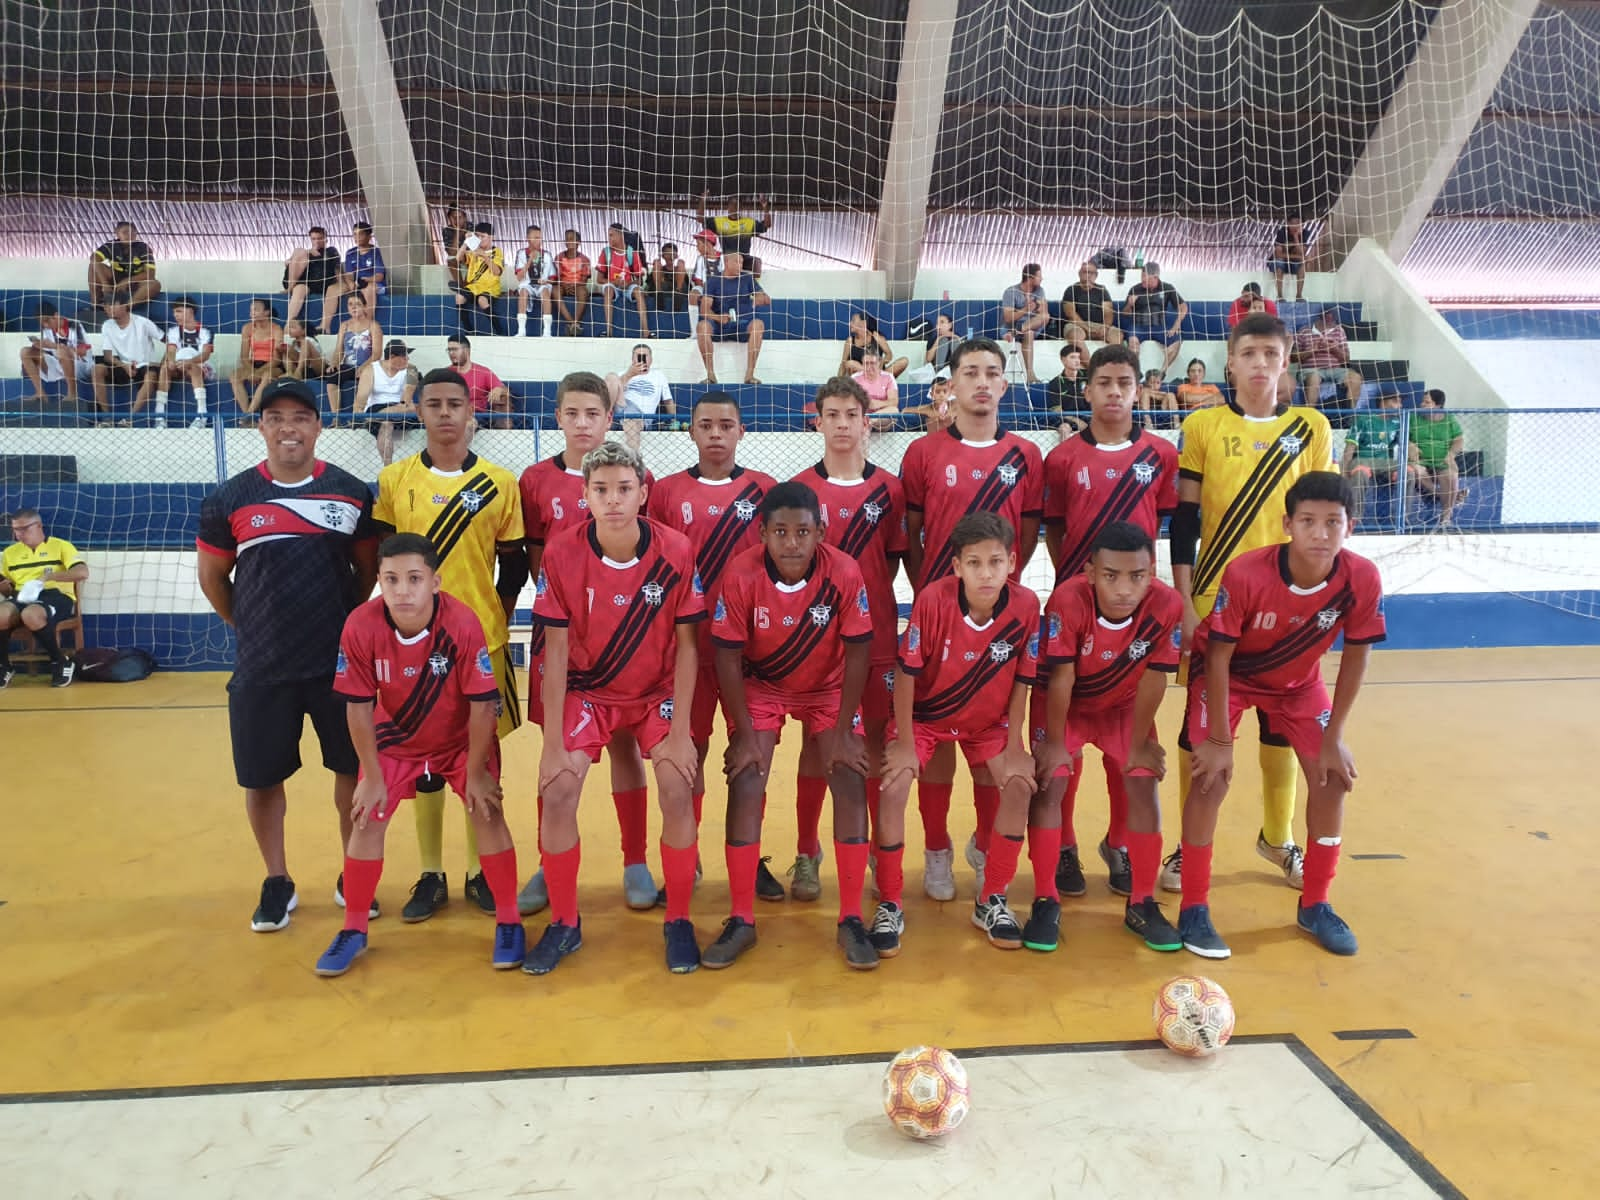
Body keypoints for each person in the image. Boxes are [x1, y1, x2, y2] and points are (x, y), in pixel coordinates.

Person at [195, 378, 378, 931]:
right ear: (262, 428)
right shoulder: (230, 498)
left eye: (300, 416)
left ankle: (355, 873)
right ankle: (277, 880)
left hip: (336, 665)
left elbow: (366, 572)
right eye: (275, 418)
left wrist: (341, 626)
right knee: (262, 778)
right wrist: (250, 626)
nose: (288, 427)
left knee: (351, 770)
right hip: (262, 666)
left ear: (318, 426)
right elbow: (213, 579)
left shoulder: (350, 492)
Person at [1163, 311, 1335, 895]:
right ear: (1230, 363)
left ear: (1285, 361)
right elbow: (1184, 520)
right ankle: (1189, 846)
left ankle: (1277, 838)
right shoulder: (1204, 426)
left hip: (1289, 610)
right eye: (1249, 354)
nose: (1261, 364)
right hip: (1216, 600)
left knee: (1279, 726)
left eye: (1271, 353)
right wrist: (1185, 600)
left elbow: (1321, 520)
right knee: (1200, 730)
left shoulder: (1312, 427)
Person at [1182, 471, 1385, 958]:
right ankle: (1193, 908)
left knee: (1332, 778)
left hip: (1297, 685)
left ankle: (1316, 904)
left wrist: (1334, 736)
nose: (1320, 533)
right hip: (1228, 677)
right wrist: (1219, 740)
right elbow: (1218, 656)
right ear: (1287, 524)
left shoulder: (1361, 578)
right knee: (1211, 777)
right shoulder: (1247, 573)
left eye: (1332, 523)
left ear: (1349, 528)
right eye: (1309, 521)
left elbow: (1357, 656)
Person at [529, 440, 705, 976]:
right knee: (557, 790)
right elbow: (554, 652)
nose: (612, 500)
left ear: (643, 493)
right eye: (601, 490)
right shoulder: (561, 552)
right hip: (591, 690)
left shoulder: (675, 549)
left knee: (677, 783)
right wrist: (553, 744)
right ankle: (564, 923)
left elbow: (691, 646)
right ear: (585, 495)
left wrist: (680, 734)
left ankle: (677, 919)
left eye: (623, 489)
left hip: (656, 692)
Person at [316, 533, 525, 977]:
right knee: (365, 816)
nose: (402, 590)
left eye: (414, 579)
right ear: (379, 582)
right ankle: (353, 929)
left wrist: (475, 772)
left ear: (436, 582)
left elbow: (483, 703)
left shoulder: (463, 623)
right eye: (391, 579)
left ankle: (509, 919)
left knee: (487, 811)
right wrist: (371, 777)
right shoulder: (360, 625)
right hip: (396, 736)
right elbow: (357, 705)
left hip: (459, 738)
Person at [372, 368, 527, 922]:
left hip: (479, 645)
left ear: (470, 412)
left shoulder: (500, 483)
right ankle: (432, 873)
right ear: (418, 411)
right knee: (425, 762)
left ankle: (479, 870)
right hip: (410, 648)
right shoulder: (394, 481)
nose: (444, 413)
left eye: (454, 404)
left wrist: (494, 617)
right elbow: (382, 561)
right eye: (433, 403)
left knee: (482, 760)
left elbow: (514, 565)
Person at [703, 482, 877, 970]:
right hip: (764, 687)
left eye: (803, 532)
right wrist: (740, 732)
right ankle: (741, 919)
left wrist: (843, 731)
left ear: (820, 532)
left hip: (830, 686)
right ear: (762, 534)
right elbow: (726, 654)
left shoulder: (843, 571)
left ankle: (849, 918)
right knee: (747, 778)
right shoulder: (741, 574)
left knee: (848, 775)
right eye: (780, 532)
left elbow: (860, 648)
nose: (792, 543)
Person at [897, 337, 1044, 901]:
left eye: (992, 373)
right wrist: (928, 588)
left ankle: (983, 846)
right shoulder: (924, 454)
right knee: (936, 750)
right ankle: (936, 849)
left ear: (1004, 385)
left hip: (997, 622)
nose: (981, 382)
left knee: (991, 751)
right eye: (970, 373)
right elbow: (912, 534)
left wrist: (998, 590)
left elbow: (1027, 535)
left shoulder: (1026, 456)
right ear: (950, 386)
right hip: (939, 624)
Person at [516, 372, 662, 915]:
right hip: (564, 643)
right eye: (571, 414)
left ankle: (635, 860)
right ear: (558, 418)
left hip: (627, 643)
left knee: (627, 744)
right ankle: (545, 861)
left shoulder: (633, 479)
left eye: (592, 415)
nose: (582, 424)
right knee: (554, 755)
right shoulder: (534, 481)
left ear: (608, 420)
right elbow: (535, 560)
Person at [1040, 344, 1179, 895]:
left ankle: (1119, 843)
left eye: (1125, 381)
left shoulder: (1160, 456)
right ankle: (1067, 846)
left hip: (1134, 611)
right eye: (1105, 382)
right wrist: (1073, 577)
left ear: (1138, 388)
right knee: (1064, 747)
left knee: (1130, 746)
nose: (1115, 391)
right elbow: (1053, 527)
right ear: (1088, 389)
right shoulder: (1063, 459)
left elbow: (1164, 525)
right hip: (1079, 610)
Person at [876, 513, 1040, 952]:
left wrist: (1016, 743)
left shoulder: (1026, 607)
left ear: (1011, 563)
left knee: (1020, 785)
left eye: (994, 562)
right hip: (928, 717)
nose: (985, 573)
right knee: (892, 786)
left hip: (987, 723)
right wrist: (906, 740)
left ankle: (992, 899)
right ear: (956, 567)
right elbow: (906, 672)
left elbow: (1024, 678)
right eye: (974, 563)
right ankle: (890, 902)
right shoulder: (931, 601)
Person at [1035, 520, 1183, 955]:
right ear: (1090, 571)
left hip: (1124, 707)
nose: (1124, 588)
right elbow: (1060, 678)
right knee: (1051, 781)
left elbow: (1157, 677)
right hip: (1068, 706)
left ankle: (1141, 903)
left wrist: (1138, 742)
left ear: (1151, 573)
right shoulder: (1067, 600)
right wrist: (1057, 743)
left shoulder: (1167, 605)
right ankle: (1046, 897)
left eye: (1137, 576)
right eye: (1111, 576)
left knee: (1141, 780)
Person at [647, 392, 777, 886]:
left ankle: (750, 856)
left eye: (727, 425)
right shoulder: (665, 493)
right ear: (691, 431)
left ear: (742, 431)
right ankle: (690, 850)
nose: (717, 433)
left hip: (752, 653)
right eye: (707, 425)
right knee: (690, 750)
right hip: (689, 650)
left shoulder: (765, 491)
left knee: (752, 753)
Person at [793, 376, 909, 921]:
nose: (841, 423)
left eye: (851, 414)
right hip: (813, 649)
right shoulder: (797, 489)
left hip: (879, 643)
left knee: (875, 751)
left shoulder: (890, 488)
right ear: (817, 422)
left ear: (868, 422)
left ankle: (862, 848)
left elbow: (890, 564)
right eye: (831, 413)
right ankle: (806, 851)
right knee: (817, 750)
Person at [1, 507, 88, 688]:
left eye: (25, 529)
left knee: (31, 614)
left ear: (39, 525)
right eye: (16, 529)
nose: (20, 534)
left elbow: (82, 572)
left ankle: (60, 661)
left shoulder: (60, 546)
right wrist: (4, 586)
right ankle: (4, 666)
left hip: (55, 595)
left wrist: (50, 576)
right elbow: (7, 587)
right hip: (22, 596)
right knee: (1, 613)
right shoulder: (10, 553)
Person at [1343, 391, 1422, 520]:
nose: (1400, 405)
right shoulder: (1363, 419)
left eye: (1400, 402)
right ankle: (1355, 518)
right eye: (1396, 401)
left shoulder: (1397, 423)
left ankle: (1402, 517)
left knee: (1408, 472)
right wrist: (1344, 471)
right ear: (1383, 402)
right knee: (1359, 474)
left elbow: (1406, 443)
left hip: (1387, 463)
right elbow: (1350, 448)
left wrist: (1412, 448)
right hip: (1363, 460)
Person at [697, 251, 770, 384]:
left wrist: (760, 298)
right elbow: (704, 310)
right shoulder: (713, 281)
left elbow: (765, 298)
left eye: (742, 262)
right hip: (720, 326)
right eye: (737, 262)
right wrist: (718, 318)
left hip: (742, 325)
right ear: (726, 263)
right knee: (702, 326)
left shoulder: (747, 278)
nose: (740, 265)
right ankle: (710, 374)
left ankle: (750, 374)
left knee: (758, 324)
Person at [90, 297, 163, 425]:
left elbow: (170, 342)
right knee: (97, 369)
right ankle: (107, 418)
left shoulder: (142, 323)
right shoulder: (107, 325)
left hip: (144, 365)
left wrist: (162, 364)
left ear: (125, 305)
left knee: (151, 376)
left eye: (112, 304)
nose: (108, 308)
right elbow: (107, 355)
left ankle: (130, 419)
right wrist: (123, 365)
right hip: (122, 365)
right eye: (106, 306)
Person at [149, 298, 216, 430]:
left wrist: (189, 361)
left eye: (179, 311)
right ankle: (159, 416)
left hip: (200, 365)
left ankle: (202, 415)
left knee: (194, 367)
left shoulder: (205, 330)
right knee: (165, 368)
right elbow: (171, 351)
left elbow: (205, 355)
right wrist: (172, 362)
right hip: (180, 364)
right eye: (174, 312)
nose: (175, 315)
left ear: (190, 311)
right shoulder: (173, 331)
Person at [354, 340, 418, 465]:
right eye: (404, 356)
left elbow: (406, 398)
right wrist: (357, 415)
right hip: (376, 406)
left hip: (399, 407)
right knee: (387, 423)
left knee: (411, 408)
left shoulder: (411, 369)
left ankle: (375, 417)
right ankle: (388, 466)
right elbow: (361, 397)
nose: (408, 359)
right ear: (392, 357)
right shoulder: (371, 369)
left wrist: (393, 410)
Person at [1410, 388, 1466, 528]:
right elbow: (1403, 437)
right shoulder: (1413, 417)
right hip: (1421, 460)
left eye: (1427, 402)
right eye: (1423, 401)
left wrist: (1451, 455)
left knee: (1451, 475)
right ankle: (1445, 494)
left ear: (1438, 405)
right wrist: (1410, 445)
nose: (1422, 404)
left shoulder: (1449, 419)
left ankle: (1446, 517)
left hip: (1442, 460)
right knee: (1416, 470)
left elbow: (1459, 440)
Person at [20, 302, 93, 407]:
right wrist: (38, 346)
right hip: (59, 363)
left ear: (56, 315)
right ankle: (40, 393)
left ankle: (72, 394)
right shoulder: (46, 329)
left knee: (61, 352)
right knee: (25, 352)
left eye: (46, 321)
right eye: (42, 323)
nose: (45, 325)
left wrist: (55, 346)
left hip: (80, 365)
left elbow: (83, 351)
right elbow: (48, 353)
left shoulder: (75, 325)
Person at [324, 292, 382, 423]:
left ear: (365, 306)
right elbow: (339, 349)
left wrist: (363, 367)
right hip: (349, 366)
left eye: (357, 304)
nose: (354, 307)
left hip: (368, 366)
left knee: (365, 377)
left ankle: (358, 417)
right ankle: (336, 418)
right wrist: (334, 363)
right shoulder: (344, 325)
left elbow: (377, 354)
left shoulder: (373, 325)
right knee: (333, 376)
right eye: (350, 304)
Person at [1122, 262, 1188, 374]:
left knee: (1177, 341)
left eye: (1145, 277)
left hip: (1159, 327)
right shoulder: (1135, 289)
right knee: (1132, 342)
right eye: (1141, 276)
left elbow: (1184, 307)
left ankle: (1162, 373)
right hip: (1138, 326)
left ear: (1155, 277)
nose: (1142, 279)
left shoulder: (1167, 288)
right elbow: (1124, 314)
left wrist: (1176, 324)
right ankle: (1136, 373)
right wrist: (1129, 305)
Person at [606, 343, 674, 449]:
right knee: (611, 377)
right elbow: (613, 392)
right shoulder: (623, 373)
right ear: (633, 359)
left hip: (640, 416)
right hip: (620, 407)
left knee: (631, 418)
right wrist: (630, 374)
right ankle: (605, 417)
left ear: (651, 359)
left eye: (645, 356)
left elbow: (668, 401)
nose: (642, 359)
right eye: (638, 356)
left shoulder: (659, 376)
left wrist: (674, 422)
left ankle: (634, 459)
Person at [1292, 306, 1360, 410]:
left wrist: (1335, 349)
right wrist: (1313, 350)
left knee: (1355, 378)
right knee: (1314, 378)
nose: (1330, 319)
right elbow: (1293, 357)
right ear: (1321, 316)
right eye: (1328, 316)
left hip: (1335, 370)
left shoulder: (1339, 331)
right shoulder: (1304, 331)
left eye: (1333, 317)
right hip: (1310, 370)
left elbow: (1346, 359)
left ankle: (1350, 416)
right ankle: (1310, 415)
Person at [283, 226, 347, 333]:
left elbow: (337, 269)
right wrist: (305, 254)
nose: (317, 241)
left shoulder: (331, 251)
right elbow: (289, 263)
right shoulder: (305, 253)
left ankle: (324, 326)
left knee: (332, 289)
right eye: (314, 239)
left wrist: (342, 283)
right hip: (307, 283)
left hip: (323, 283)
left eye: (319, 238)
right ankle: (289, 324)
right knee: (299, 289)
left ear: (325, 239)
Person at [596, 222, 652, 337]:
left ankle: (646, 331)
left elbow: (640, 280)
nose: (609, 238)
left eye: (611, 235)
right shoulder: (606, 252)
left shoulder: (632, 253)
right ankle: (609, 331)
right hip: (612, 286)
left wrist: (628, 283)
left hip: (628, 286)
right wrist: (614, 282)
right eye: (609, 235)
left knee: (638, 291)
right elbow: (599, 279)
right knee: (608, 290)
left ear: (620, 235)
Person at [89, 221, 160, 310]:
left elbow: (150, 274)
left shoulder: (143, 247)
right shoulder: (111, 245)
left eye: (132, 232)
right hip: (114, 281)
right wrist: (105, 284)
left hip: (134, 282)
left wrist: (127, 281)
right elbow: (94, 258)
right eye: (125, 232)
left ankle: (125, 308)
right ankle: (96, 305)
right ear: (117, 234)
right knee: (93, 267)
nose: (129, 235)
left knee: (155, 284)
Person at [699, 191, 774, 276]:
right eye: (732, 204)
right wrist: (702, 200)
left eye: (737, 205)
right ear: (728, 207)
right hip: (727, 257)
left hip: (744, 258)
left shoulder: (749, 223)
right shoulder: (719, 222)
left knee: (757, 262)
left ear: (741, 208)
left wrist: (765, 207)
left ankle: (753, 285)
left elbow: (767, 225)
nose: (734, 207)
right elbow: (700, 219)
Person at [231, 299, 284, 418]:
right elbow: (244, 356)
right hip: (253, 364)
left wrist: (258, 373)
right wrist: (252, 371)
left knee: (267, 376)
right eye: (251, 310)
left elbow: (277, 359)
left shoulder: (276, 329)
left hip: (271, 365)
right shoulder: (247, 328)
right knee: (234, 376)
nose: (252, 313)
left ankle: (250, 414)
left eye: (256, 310)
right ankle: (246, 414)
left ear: (267, 312)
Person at [445, 334, 512, 429]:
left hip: (475, 416)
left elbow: (505, 391)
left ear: (467, 350)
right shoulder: (444, 373)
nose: (451, 353)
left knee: (468, 423)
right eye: (449, 350)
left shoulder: (482, 372)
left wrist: (499, 389)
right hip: (450, 413)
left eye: (455, 349)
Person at [1000, 263, 1050, 384]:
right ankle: (1030, 374)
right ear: (1030, 277)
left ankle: (1020, 329)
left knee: (1045, 317)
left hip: (1030, 325)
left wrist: (1038, 307)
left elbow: (1044, 312)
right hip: (1010, 326)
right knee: (1029, 333)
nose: (1042, 278)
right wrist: (1025, 309)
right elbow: (1008, 318)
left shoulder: (1040, 290)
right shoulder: (1010, 291)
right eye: (1039, 276)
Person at [455, 221, 506, 336]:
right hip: (473, 287)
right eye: (477, 236)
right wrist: (465, 242)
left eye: (483, 236)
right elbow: (458, 258)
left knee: (482, 300)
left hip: (490, 288)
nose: (480, 239)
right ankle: (469, 331)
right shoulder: (473, 251)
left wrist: (484, 255)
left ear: (491, 237)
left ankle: (500, 332)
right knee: (459, 297)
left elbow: (497, 272)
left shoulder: (497, 252)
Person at [1060, 261, 1124, 346]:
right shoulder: (1071, 290)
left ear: (1096, 275)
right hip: (1077, 325)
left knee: (1117, 335)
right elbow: (1071, 314)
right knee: (1076, 335)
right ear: (1079, 274)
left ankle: (1108, 358)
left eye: (1091, 273)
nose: (1088, 275)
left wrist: (1105, 327)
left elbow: (1108, 313)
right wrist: (1087, 329)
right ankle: (1086, 359)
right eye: (1085, 272)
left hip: (1099, 326)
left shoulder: (1102, 290)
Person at [838, 311, 909, 379]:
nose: (850, 323)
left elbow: (889, 355)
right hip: (861, 377)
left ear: (863, 323)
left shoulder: (876, 337)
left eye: (853, 321)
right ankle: (871, 377)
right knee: (850, 364)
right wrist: (837, 383)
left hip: (879, 372)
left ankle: (879, 379)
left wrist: (882, 362)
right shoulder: (850, 340)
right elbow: (843, 364)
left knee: (904, 361)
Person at [513, 224, 555, 338]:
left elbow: (553, 279)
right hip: (527, 285)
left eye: (540, 237)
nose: (539, 240)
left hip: (542, 285)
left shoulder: (547, 255)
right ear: (528, 238)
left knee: (545, 292)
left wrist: (545, 282)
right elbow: (519, 277)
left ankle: (547, 331)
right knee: (523, 292)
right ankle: (521, 330)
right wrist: (530, 260)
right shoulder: (521, 253)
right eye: (535, 237)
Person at [553, 229, 593, 336]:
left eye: (572, 239)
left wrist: (575, 285)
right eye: (567, 239)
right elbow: (556, 277)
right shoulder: (559, 257)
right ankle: (572, 323)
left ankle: (575, 322)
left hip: (578, 286)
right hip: (562, 285)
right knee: (555, 290)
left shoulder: (585, 259)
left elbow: (584, 280)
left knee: (583, 292)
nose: (569, 241)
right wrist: (565, 285)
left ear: (578, 242)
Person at [342, 221, 387, 315]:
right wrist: (350, 282)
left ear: (369, 237)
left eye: (361, 234)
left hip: (375, 284)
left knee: (368, 288)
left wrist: (367, 280)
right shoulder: (350, 253)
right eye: (354, 234)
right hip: (357, 284)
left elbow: (379, 276)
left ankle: (368, 321)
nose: (357, 237)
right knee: (335, 289)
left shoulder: (376, 252)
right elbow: (349, 275)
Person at [852, 346, 899, 429]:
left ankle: (868, 422)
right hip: (860, 416)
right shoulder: (855, 378)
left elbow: (894, 402)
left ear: (879, 362)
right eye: (866, 363)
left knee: (894, 410)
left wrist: (877, 404)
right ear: (862, 363)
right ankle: (866, 425)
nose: (869, 367)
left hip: (881, 420)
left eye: (872, 363)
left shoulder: (888, 377)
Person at [905, 312, 961, 384]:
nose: (938, 326)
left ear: (950, 325)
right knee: (943, 341)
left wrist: (957, 337)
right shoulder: (933, 339)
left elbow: (965, 356)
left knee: (954, 341)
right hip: (938, 371)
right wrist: (938, 340)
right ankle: (940, 373)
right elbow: (928, 359)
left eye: (942, 322)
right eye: (937, 323)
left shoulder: (957, 338)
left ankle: (955, 372)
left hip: (953, 371)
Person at [1046, 345, 1088, 431]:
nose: (1077, 361)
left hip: (1088, 415)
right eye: (1072, 357)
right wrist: (1076, 421)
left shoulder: (1088, 376)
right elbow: (1057, 410)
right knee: (1064, 428)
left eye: (1078, 357)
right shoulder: (1055, 383)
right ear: (1063, 360)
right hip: (1068, 418)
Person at [1268, 215, 1308, 301]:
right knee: (1279, 262)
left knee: (1302, 265)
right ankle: (1279, 296)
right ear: (1288, 224)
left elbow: (1302, 253)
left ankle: (1299, 296)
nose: (1297, 225)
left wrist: (1296, 237)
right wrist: (1297, 256)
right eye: (1294, 223)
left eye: (1299, 223)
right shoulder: (1282, 232)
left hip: (1291, 265)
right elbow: (1278, 254)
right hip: (1277, 263)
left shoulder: (1305, 233)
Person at [651, 242, 692, 316]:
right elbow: (649, 287)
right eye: (667, 253)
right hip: (663, 291)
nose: (670, 256)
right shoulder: (658, 269)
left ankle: (678, 292)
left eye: (673, 253)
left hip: (679, 293)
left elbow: (689, 287)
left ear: (676, 256)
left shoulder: (681, 269)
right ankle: (658, 293)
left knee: (681, 263)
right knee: (656, 263)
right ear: (663, 256)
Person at [440, 204, 470, 289]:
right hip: (458, 256)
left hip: (471, 256)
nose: (457, 220)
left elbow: (475, 249)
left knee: (473, 262)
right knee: (451, 261)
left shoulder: (472, 227)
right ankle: (461, 288)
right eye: (453, 217)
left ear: (465, 218)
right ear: (449, 219)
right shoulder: (446, 231)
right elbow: (451, 253)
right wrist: (457, 231)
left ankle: (467, 287)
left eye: (459, 217)